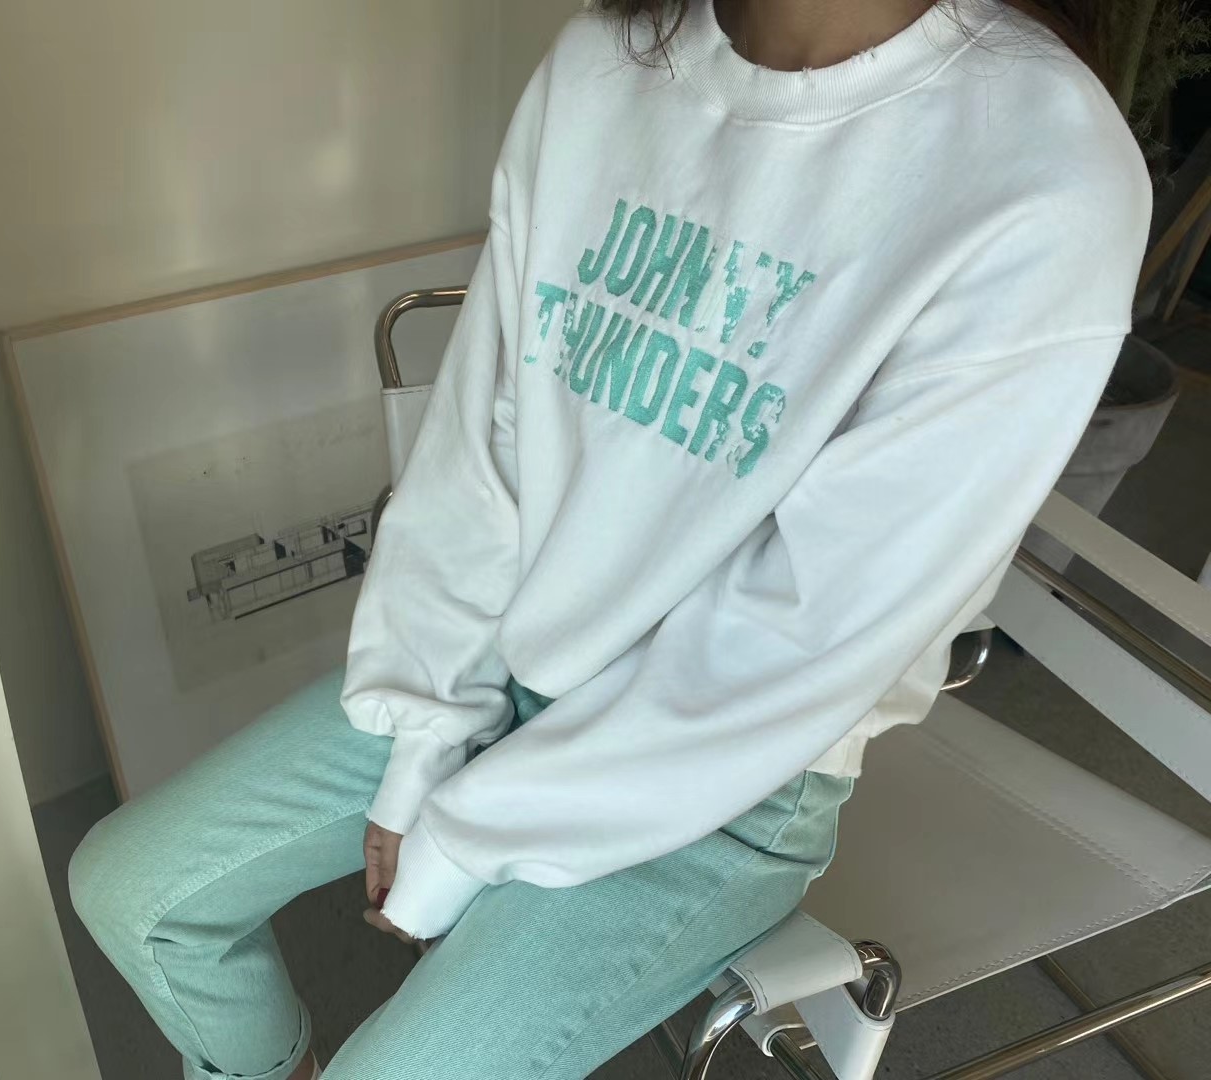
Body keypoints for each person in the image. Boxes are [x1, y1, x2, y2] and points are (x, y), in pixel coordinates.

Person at [69, 1, 1150, 1076]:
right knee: (132, 890)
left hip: (727, 781)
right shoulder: (607, 59)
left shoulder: (1044, 165)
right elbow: (484, 443)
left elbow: (805, 635)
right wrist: (427, 734)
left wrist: (466, 837)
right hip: (513, 668)